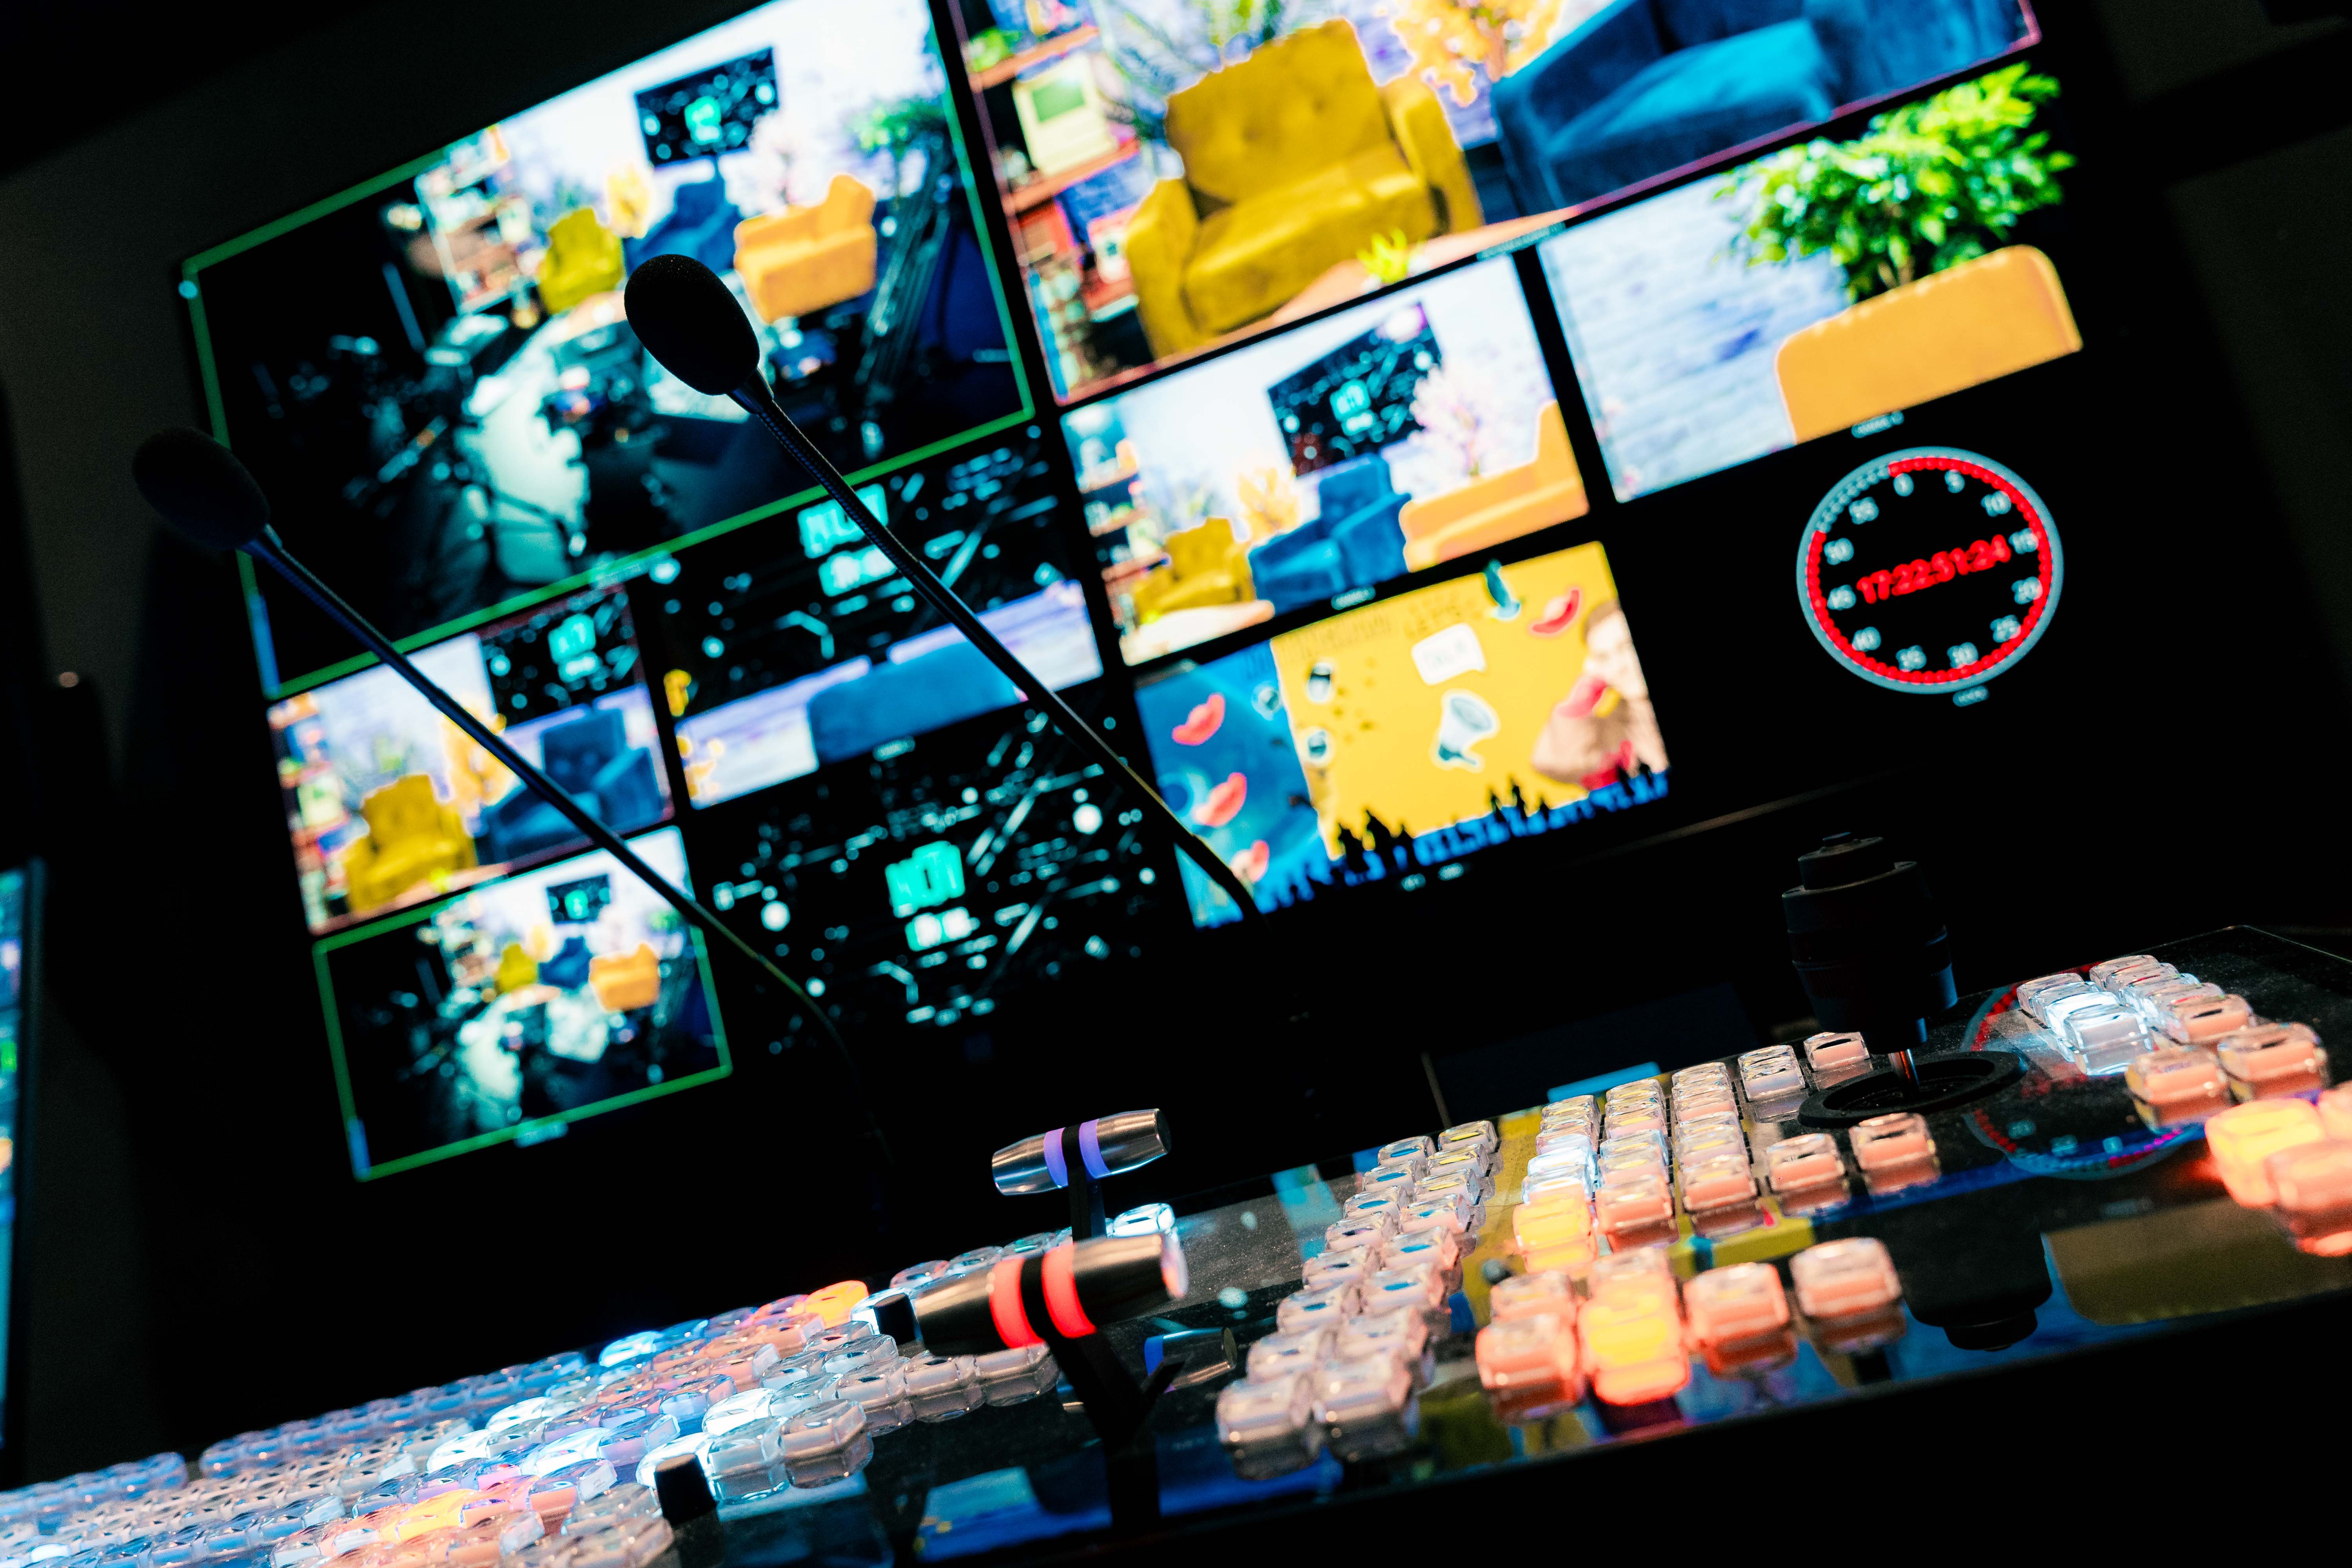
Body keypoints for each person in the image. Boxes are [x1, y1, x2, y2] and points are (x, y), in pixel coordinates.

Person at [1531, 597, 1668, 788]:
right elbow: (1555, 763)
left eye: (1626, 646)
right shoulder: (1619, 727)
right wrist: (1585, 692)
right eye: (1604, 658)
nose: (1618, 667)